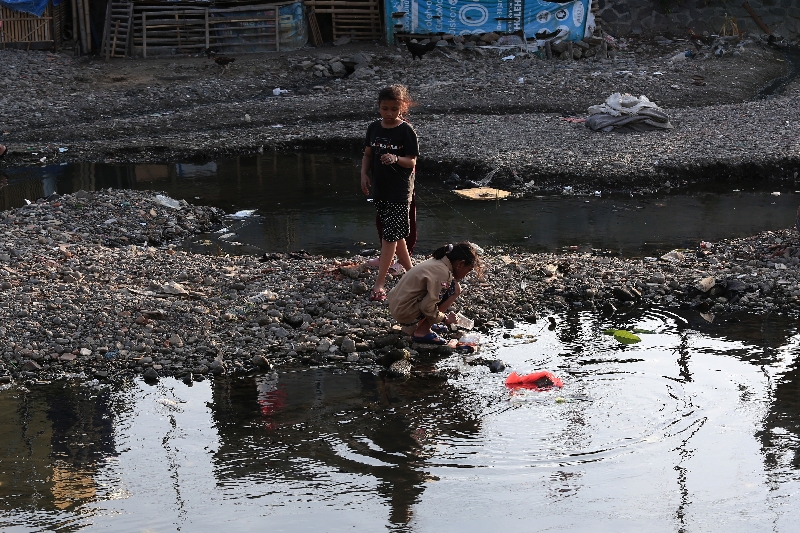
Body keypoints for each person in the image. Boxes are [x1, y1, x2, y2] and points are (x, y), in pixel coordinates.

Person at [360, 84, 419, 302]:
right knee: (395, 233)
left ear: (403, 107)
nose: (389, 113)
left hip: (399, 190)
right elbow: (367, 154)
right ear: (379, 107)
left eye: (394, 109)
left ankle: (380, 283)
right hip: (380, 187)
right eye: (385, 108)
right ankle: (412, 273)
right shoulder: (373, 128)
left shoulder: (406, 131)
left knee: (390, 235)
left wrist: (396, 158)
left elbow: (411, 160)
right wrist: (363, 174)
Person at [387, 242, 482, 345]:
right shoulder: (443, 273)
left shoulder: (438, 262)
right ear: (460, 264)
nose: (466, 275)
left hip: (397, 305)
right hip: (404, 312)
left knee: (449, 287)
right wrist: (445, 318)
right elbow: (427, 306)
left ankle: (423, 324)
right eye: (468, 270)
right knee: (453, 290)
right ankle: (423, 331)